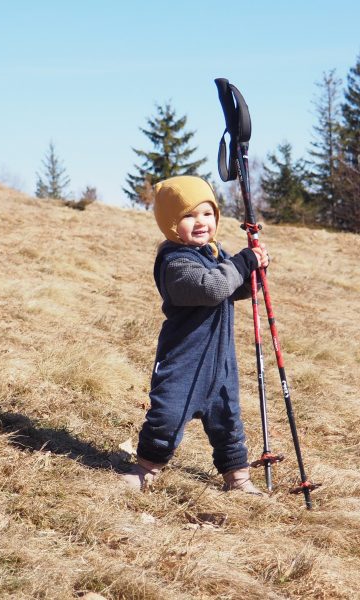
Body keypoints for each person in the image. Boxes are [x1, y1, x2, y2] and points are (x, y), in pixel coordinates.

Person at [122, 175, 269, 495]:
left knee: (229, 421)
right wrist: (243, 262)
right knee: (168, 414)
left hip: (220, 361)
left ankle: (238, 478)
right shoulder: (175, 262)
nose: (200, 222)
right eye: (188, 216)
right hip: (184, 360)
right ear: (171, 225)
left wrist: (255, 272)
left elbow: (234, 288)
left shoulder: (215, 254)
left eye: (207, 213)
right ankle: (145, 468)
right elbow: (213, 287)